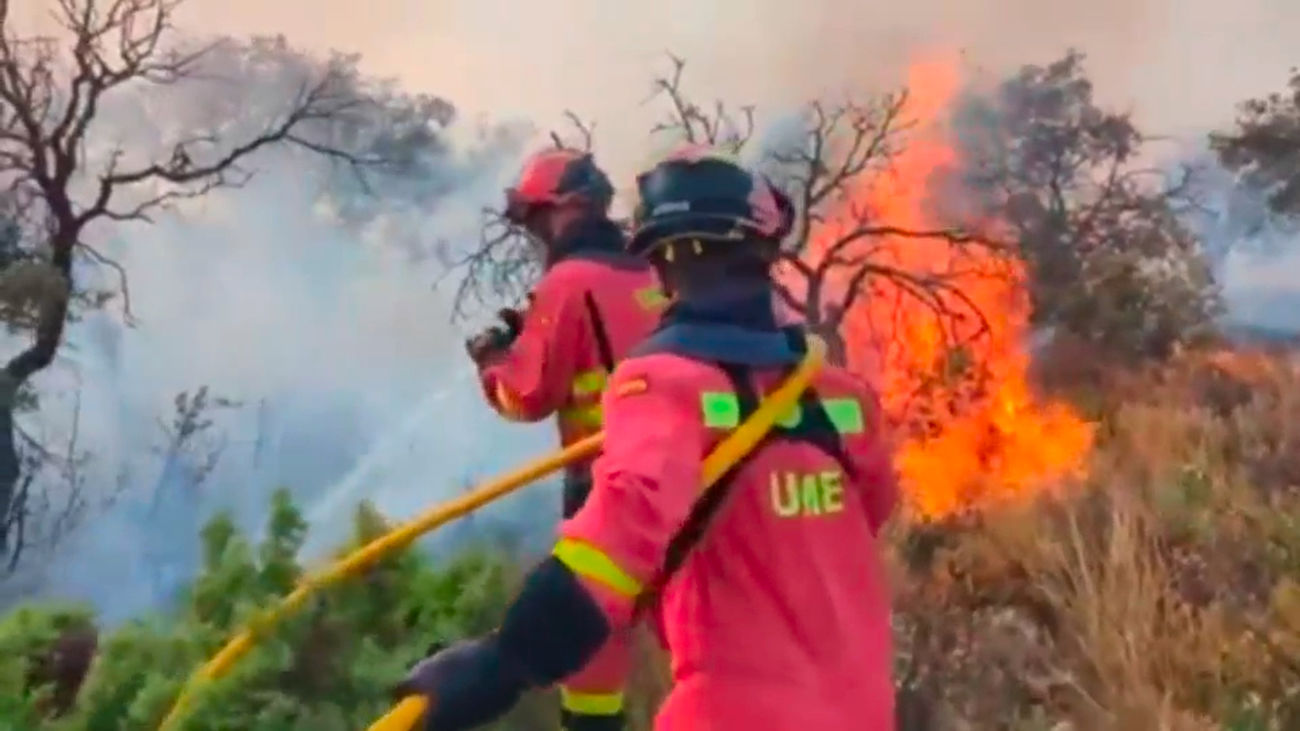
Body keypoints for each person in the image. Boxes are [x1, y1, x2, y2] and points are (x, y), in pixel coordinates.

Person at [397, 145, 900, 730]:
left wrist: (499, 665)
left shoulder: (661, 387)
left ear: (663, 265)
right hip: (862, 716)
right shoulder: (846, 401)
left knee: (601, 666)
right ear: (766, 250)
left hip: (725, 712)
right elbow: (868, 514)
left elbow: (608, 547)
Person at [465, 147, 667, 730]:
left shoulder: (568, 283)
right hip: (687, 478)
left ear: (565, 211)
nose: (535, 235)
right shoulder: (657, 269)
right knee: (691, 629)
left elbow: (527, 397)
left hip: (602, 484)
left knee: (594, 634)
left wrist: (494, 361)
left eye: (537, 220)